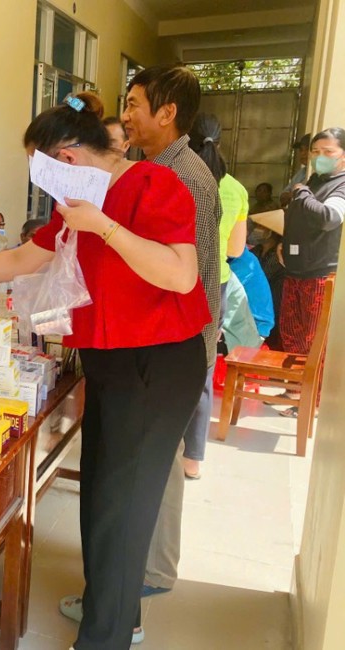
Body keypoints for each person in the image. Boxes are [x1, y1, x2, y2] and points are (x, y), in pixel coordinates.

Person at [0, 92, 210, 650]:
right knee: (102, 494)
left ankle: (106, 637)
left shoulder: (154, 185)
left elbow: (180, 275)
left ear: (68, 159)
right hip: (110, 364)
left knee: (125, 507)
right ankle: (114, 610)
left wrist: (103, 227)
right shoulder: (79, 202)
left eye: (43, 173)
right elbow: (26, 257)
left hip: (156, 363)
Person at [120, 63, 221, 613]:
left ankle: (151, 570)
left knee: (156, 458)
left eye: (134, 104)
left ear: (168, 112)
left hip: (176, 341)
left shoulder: (186, 177)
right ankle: (144, 564)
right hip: (158, 337)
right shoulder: (151, 165)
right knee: (151, 455)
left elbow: (187, 273)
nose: (126, 116)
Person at [184, 112, 247, 478]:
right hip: (214, 285)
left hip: (173, 280)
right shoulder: (235, 189)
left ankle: (162, 446)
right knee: (203, 365)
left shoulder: (178, 176)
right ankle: (193, 458)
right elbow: (236, 249)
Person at [278, 128, 345, 416]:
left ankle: (312, 400)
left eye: (328, 152)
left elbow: (329, 218)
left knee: (314, 338)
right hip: (296, 268)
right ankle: (295, 390)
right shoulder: (314, 181)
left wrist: (302, 192)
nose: (319, 157)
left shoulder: (340, 185)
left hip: (320, 273)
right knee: (292, 332)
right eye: (315, 152)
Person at [247, 222, 284, 347]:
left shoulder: (279, 255)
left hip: (274, 311)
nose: (256, 229)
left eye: (261, 226)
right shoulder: (255, 251)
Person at [281, 134, 312, 207]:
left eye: (307, 149)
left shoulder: (318, 173)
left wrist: (293, 194)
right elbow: (283, 196)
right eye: (301, 150)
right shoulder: (301, 172)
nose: (303, 153)